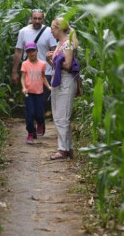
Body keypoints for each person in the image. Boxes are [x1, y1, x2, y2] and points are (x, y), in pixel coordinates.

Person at [12, 9, 57, 136]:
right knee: (30, 103)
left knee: (42, 102)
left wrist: (56, 70)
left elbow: (54, 51)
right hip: (29, 72)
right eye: (35, 18)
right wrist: (14, 71)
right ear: (31, 19)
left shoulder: (49, 32)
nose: (37, 21)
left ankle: (40, 121)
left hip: (46, 71)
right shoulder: (23, 32)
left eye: (40, 18)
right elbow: (18, 52)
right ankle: (31, 130)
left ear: (43, 19)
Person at [46, 17, 80, 160]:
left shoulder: (67, 44)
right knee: (58, 116)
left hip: (66, 81)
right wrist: (51, 60)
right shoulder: (60, 44)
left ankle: (63, 150)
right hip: (58, 80)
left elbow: (67, 65)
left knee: (62, 116)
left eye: (52, 29)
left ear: (58, 28)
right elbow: (58, 65)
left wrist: (55, 59)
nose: (51, 32)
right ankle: (67, 148)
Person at [21, 42, 52, 144]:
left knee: (39, 113)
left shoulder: (42, 64)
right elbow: (23, 78)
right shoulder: (25, 64)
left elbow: (43, 77)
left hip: (39, 93)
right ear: (27, 53)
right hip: (29, 93)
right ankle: (30, 133)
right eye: (29, 51)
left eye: (33, 51)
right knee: (30, 114)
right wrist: (24, 87)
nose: (31, 53)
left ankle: (40, 123)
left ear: (37, 51)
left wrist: (48, 87)